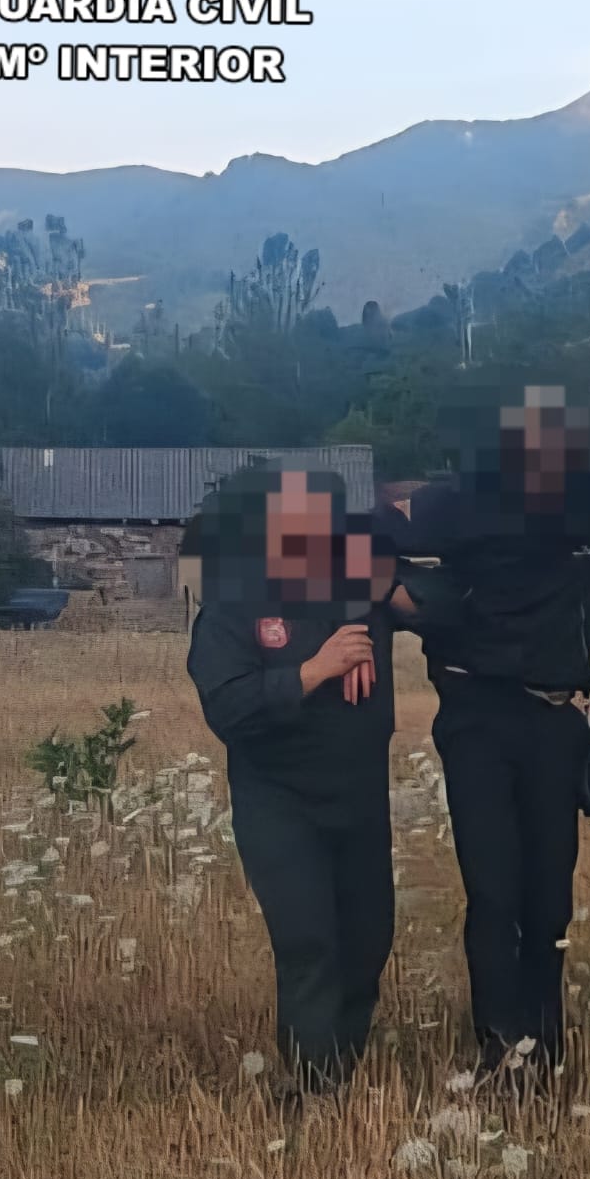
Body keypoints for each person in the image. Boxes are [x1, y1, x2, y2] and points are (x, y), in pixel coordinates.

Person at [391, 386, 590, 1080]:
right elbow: (367, 529)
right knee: (494, 891)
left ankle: (544, 1048)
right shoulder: (458, 504)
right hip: (477, 718)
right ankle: (499, 1050)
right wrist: (397, 598)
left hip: (556, 718)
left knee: (549, 893)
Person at [186, 467, 399, 1094]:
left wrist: (377, 608)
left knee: (366, 944)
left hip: (360, 799)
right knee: (309, 943)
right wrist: (315, 670)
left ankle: (340, 1064)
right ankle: (313, 1087)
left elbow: (436, 599)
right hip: (279, 802)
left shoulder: (360, 589)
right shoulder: (233, 603)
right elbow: (229, 708)